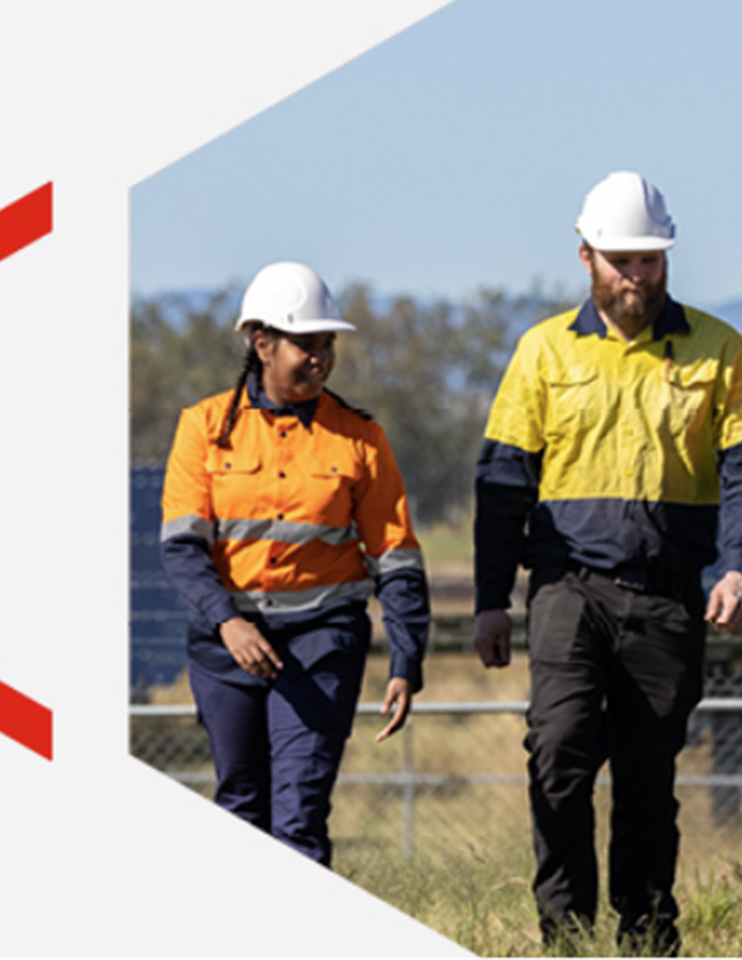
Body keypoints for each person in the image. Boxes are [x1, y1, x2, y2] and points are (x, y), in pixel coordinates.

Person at [472, 171, 742, 953]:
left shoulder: (719, 349)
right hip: (566, 590)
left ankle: (647, 939)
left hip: (667, 597)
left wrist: (740, 568)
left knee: (648, 779)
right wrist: (489, 600)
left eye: (650, 259)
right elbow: (503, 483)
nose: (636, 275)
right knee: (558, 755)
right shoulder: (543, 351)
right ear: (586, 257)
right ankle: (567, 939)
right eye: (621, 261)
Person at [160, 261, 430, 868]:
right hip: (227, 647)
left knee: (299, 814)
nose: (322, 359)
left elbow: (397, 559)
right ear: (263, 344)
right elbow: (181, 547)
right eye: (307, 345)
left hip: (321, 645)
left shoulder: (361, 438)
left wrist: (407, 659)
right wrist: (228, 622)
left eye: (328, 344)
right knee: (241, 807)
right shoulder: (204, 428)